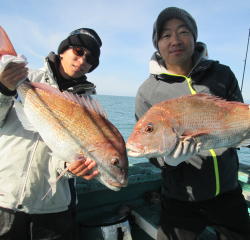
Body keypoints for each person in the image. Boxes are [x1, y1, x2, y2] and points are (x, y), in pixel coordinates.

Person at [135, 7, 250, 240]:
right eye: (166, 35)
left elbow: (240, 117)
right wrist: (168, 161)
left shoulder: (222, 74)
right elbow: (152, 153)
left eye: (183, 32)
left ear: (194, 38)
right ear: (157, 44)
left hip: (229, 191)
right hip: (181, 200)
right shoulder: (147, 92)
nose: (175, 40)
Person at [0, 28, 102, 239]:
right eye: (78, 50)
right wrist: (3, 90)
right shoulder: (23, 78)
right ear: (63, 50)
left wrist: (70, 166)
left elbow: (71, 151)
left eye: (90, 58)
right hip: (4, 199)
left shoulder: (90, 106)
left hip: (55, 208)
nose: (82, 60)